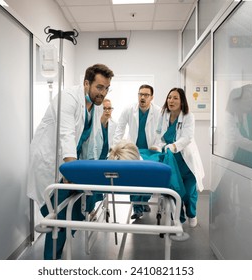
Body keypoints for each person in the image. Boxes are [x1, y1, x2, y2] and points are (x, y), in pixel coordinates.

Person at [26, 63, 114, 259]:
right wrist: (71, 170)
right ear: (86, 83)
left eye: (107, 88)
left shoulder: (96, 106)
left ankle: (57, 255)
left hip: (70, 163)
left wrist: (91, 169)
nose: (103, 92)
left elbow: (91, 142)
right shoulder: (68, 99)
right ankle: (51, 261)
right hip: (51, 163)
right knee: (57, 216)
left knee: (67, 213)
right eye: (99, 87)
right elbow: (66, 135)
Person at [152, 87, 205, 227]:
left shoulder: (188, 116)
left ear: (182, 101)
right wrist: (159, 146)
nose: (171, 100)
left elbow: (187, 137)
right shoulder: (163, 114)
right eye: (169, 97)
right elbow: (158, 134)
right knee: (174, 191)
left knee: (188, 193)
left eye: (175, 98)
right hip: (171, 160)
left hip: (186, 161)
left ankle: (191, 214)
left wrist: (174, 146)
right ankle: (178, 219)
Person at [113, 84, 161, 219]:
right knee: (134, 178)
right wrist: (116, 147)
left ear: (152, 97)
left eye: (146, 95)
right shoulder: (129, 109)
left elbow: (161, 131)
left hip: (151, 150)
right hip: (133, 150)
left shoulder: (158, 111)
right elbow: (119, 129)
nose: (143, 97)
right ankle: (137, 207)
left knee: (148, 177)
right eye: (140, 94)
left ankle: (144, 201)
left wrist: (157, 146)